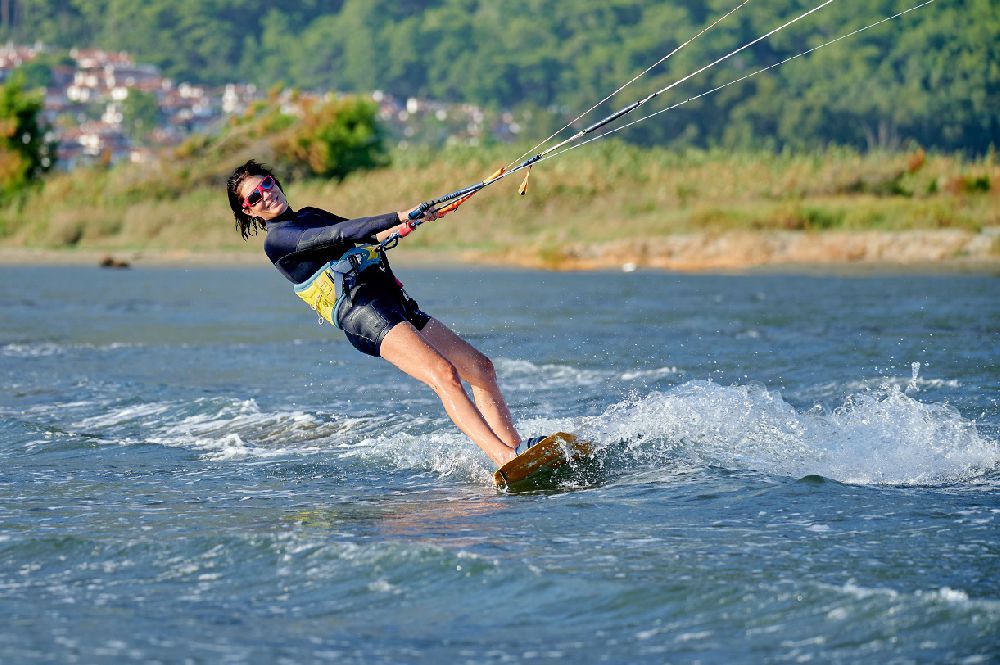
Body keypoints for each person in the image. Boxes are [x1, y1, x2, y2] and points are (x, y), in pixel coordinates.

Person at [226, 159, 538, 468]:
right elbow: (339, 234)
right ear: (249, 210)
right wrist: (399, 213)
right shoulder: (277, 241)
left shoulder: (310, 214)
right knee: (444, 374)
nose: (266, 194)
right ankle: (502, 457)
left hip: (392, 299)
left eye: (266, 183)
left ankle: (517, 451)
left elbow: (365, 236)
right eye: (254, 197)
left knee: (481, 369)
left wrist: (409, 222)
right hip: (363, 313)